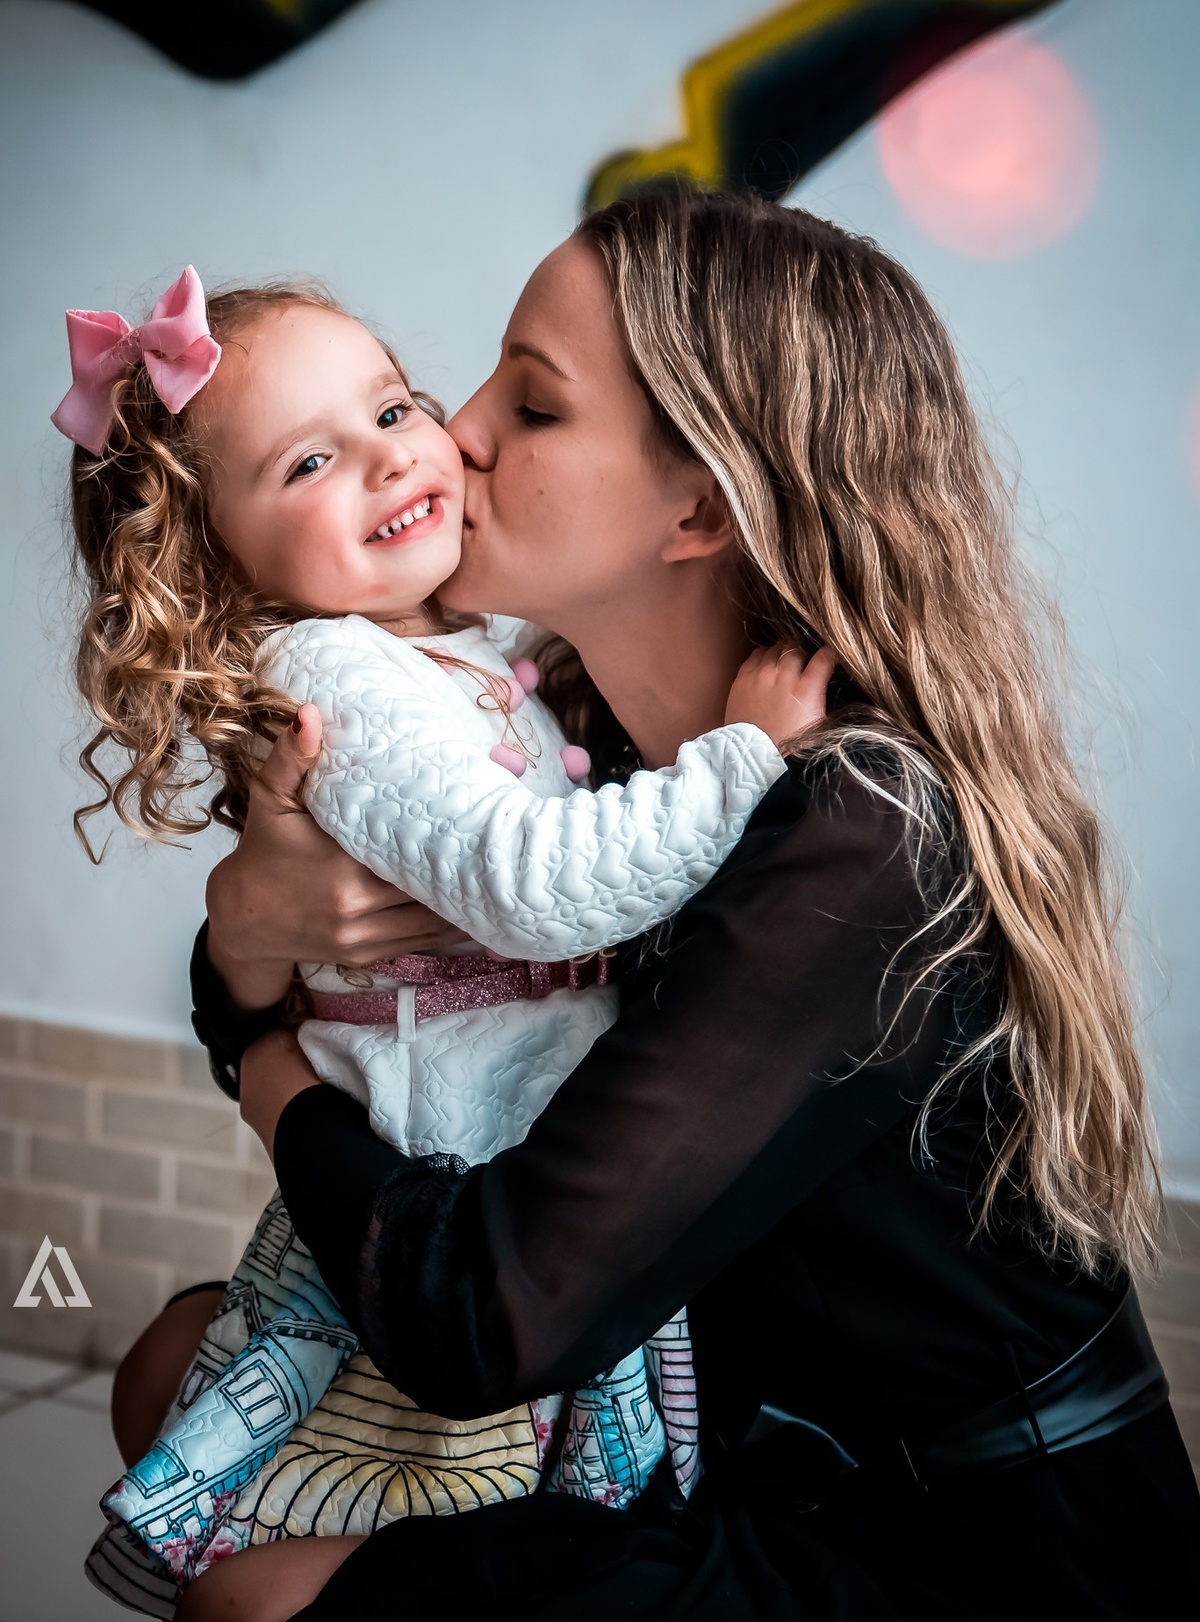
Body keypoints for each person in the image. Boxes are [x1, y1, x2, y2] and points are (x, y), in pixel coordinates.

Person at [163, 190, 1200, 1618]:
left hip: (969, 1552)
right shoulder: (599, 742)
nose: (454, 431)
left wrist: (272, 1070)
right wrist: (246, 922)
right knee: (170, 1363)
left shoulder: (853, 832)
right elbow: (309, 952)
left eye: (529, 403)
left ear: (701, 505)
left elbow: (483, 1304)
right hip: (755, 1447)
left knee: (253, 1596)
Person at [55, 265, 828, 1611]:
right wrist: (739, 758)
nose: (406, 449)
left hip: (496, 1157)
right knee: (416, 1477)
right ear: (215, 565)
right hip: (450, 1164)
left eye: (391, 404)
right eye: (309, 458)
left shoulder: (467, 646)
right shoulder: (335, 669)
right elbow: (534, 883)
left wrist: (245, 959)